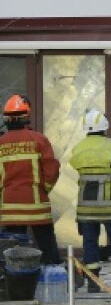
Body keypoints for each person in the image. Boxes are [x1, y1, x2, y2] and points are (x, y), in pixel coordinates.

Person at [68, 110, 111, 291]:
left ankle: (93, 285)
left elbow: (75, 165)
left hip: (86, 209)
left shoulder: (78, 148)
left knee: (90, 245)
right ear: (105, 127)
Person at [0, 95, 60, 265]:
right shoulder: (39, 139)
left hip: (10, 208)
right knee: (47, 245)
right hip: (37, 206)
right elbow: (51, 169)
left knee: (12, 251)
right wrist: (44, 189)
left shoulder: (1, 143)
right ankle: (52, 275)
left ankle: (13, 283)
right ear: (27, 116)